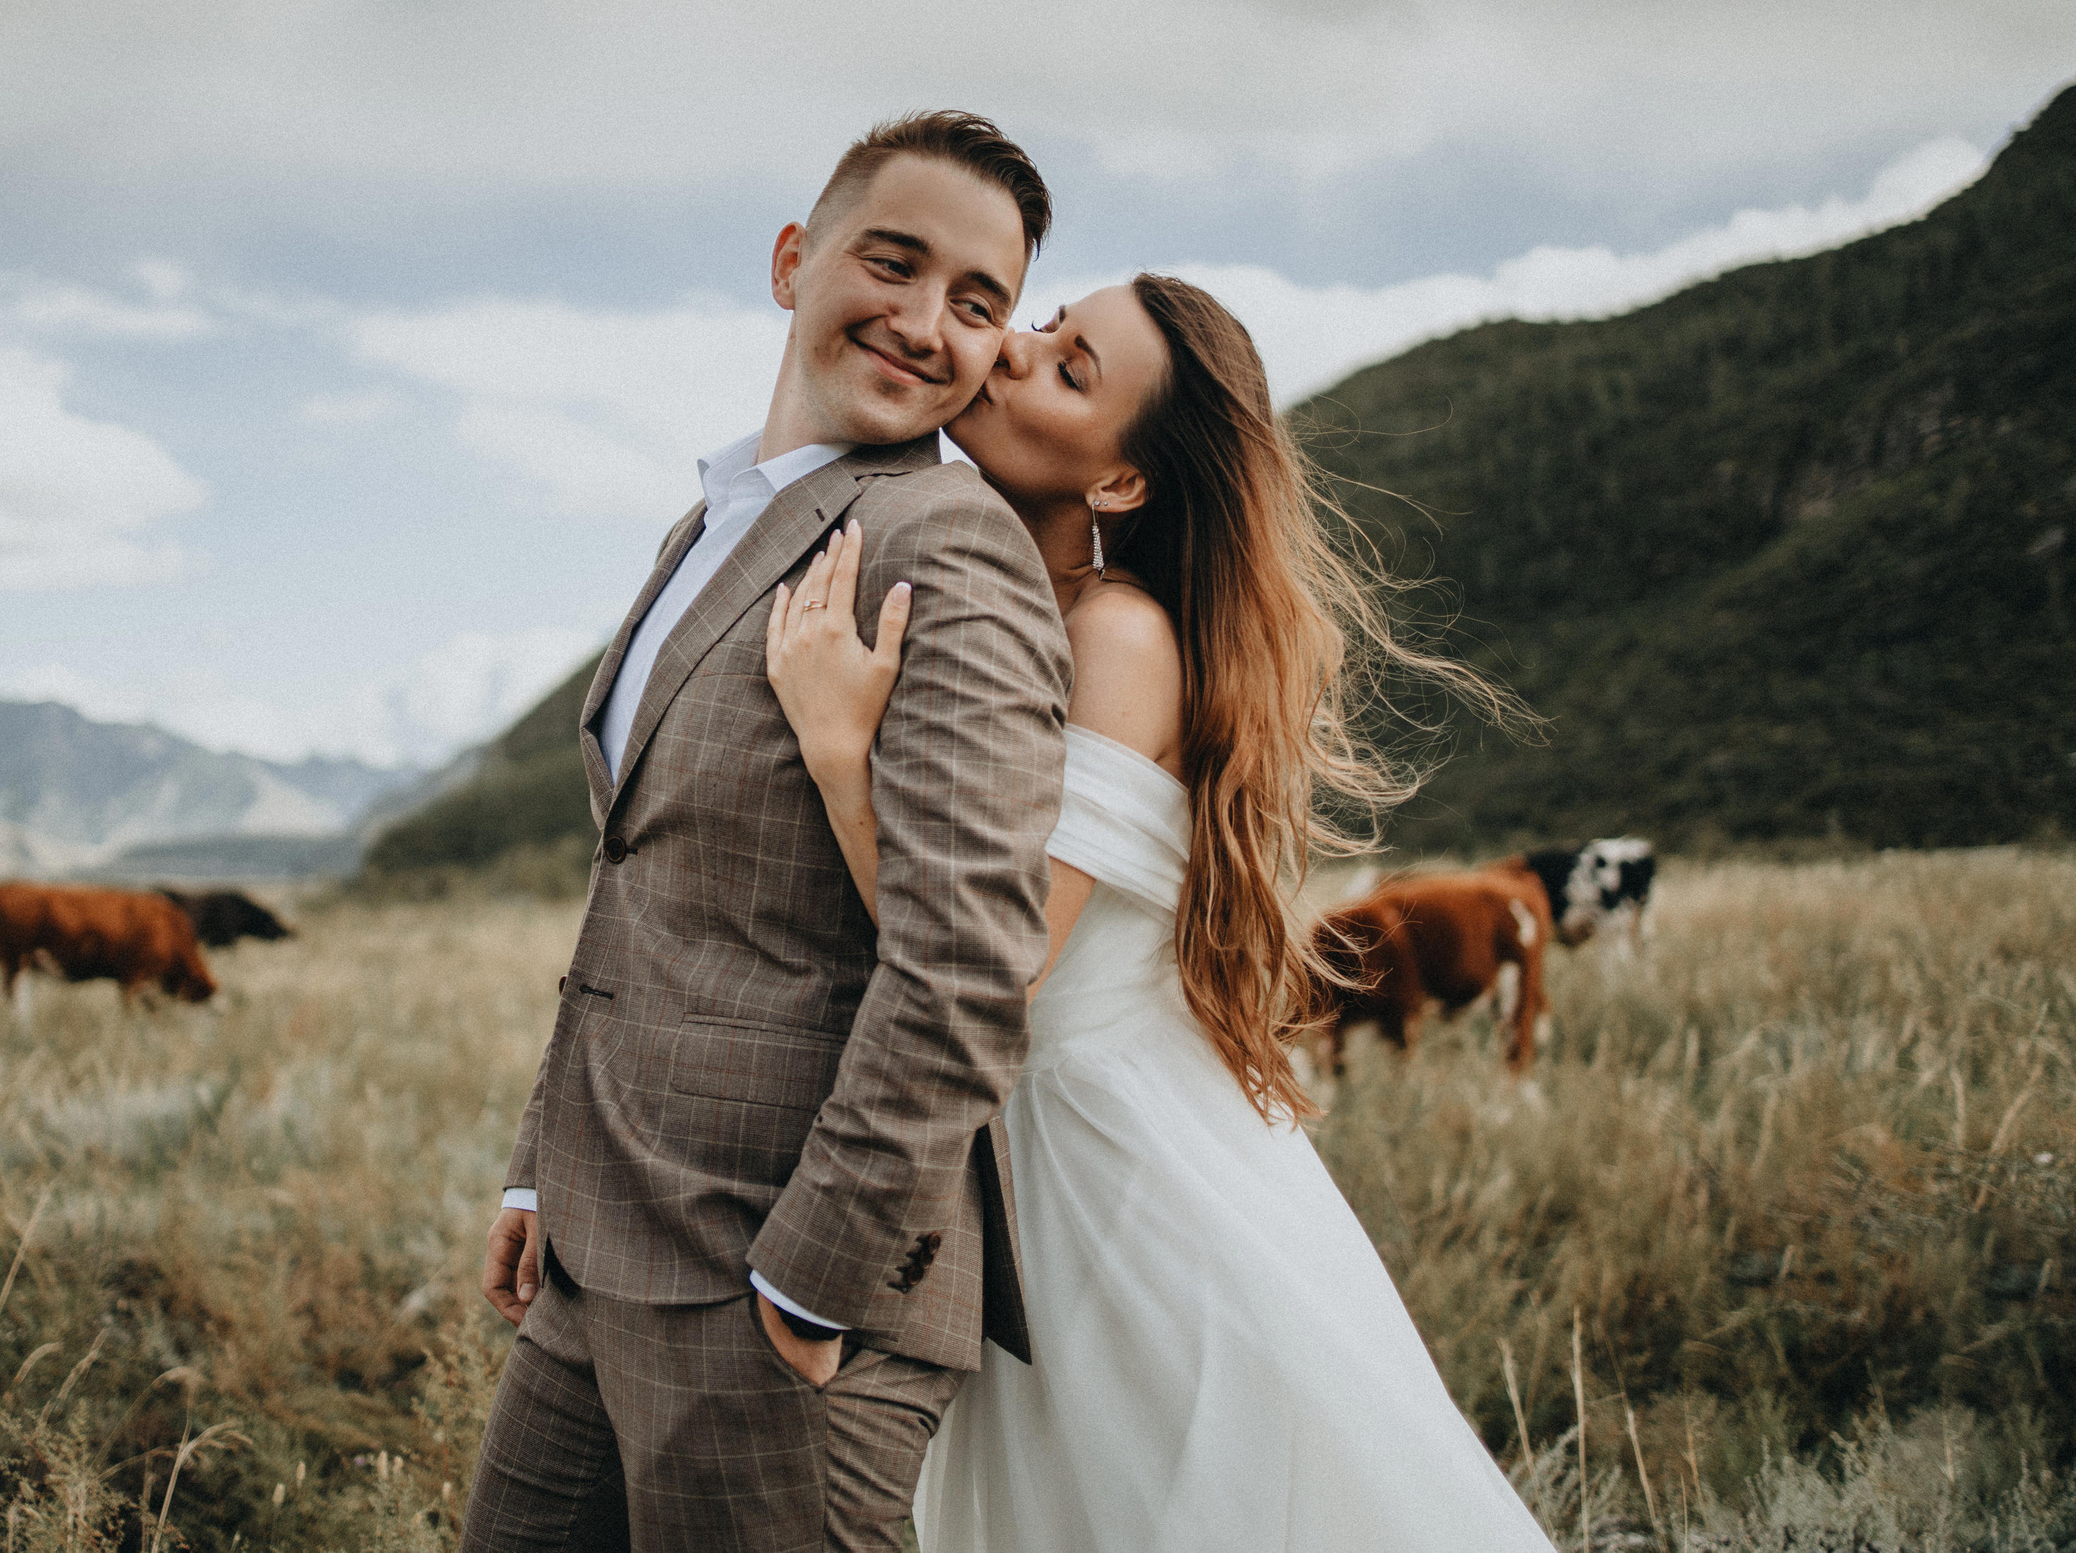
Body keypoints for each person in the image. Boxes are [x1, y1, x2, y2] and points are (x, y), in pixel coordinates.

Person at [765, 275, 1557, 1551]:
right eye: (1044, 327)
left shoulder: (1120, 636)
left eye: (1071, 369)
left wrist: (838, 750)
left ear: (1122, 484)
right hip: (1032, 1156)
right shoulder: (1019, 611)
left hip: (1110, 1182)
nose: (1014, 357)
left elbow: (997, 966)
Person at [461, 112, 1071, 1553]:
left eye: (977, 304)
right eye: (895, 262)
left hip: (779, 1284)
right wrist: (545, 1160)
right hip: (600, 1239)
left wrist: (815, 1280)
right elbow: (641, 885)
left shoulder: (943, 539)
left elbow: (972, 956)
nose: (927, 324)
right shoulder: (710, 527)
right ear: (796, 261)